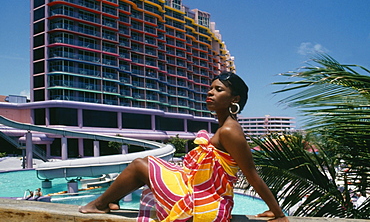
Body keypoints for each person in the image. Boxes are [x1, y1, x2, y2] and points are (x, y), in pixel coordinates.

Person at [79, 72, 288, 221]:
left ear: (234, 99)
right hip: (198, 191)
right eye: (210, 88)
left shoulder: (229, 130)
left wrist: (277, 212)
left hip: (204, 203)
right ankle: (110, 201)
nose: (210, 92)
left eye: (218, 89)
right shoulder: (224, 126)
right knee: (144, 162)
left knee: (139, 165)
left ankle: (99, 204)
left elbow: (251, 174)